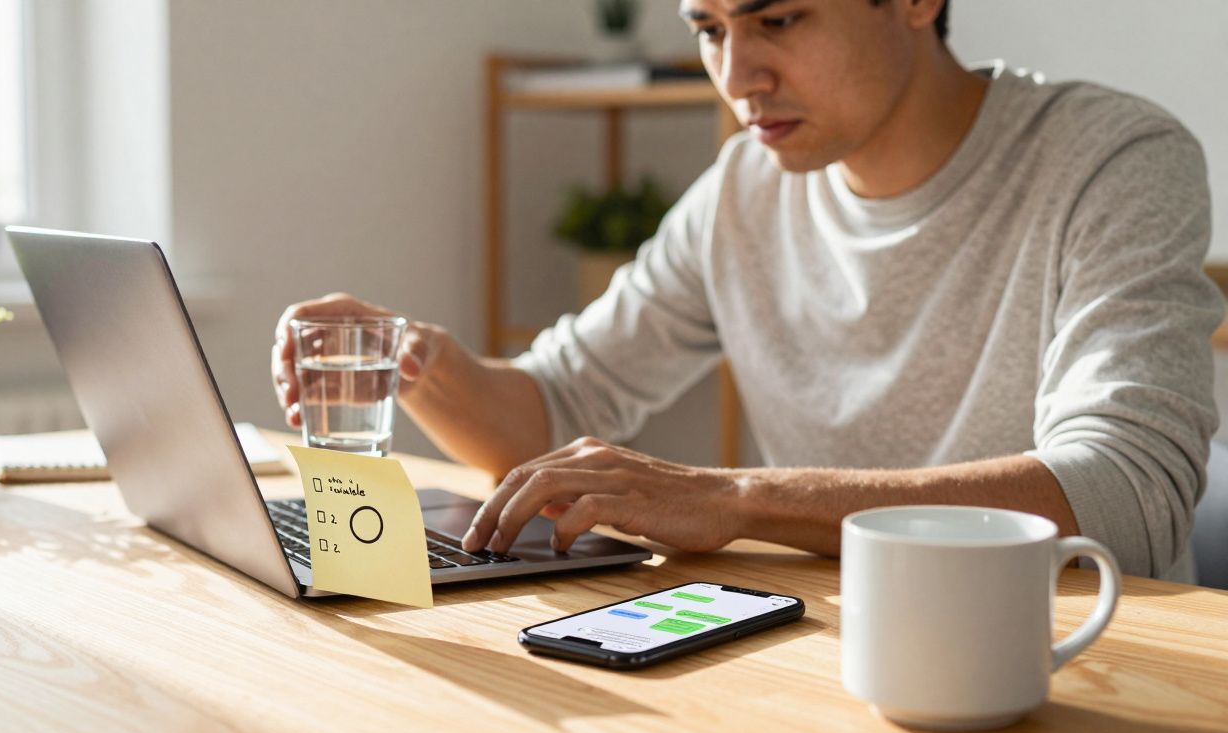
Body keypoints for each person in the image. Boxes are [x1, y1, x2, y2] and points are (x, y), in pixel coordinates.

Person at [272, 0, 1222, 582]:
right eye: (709, 29)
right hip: (832, 650)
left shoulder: (1113, 160)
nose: (737, 77)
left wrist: (734, 498)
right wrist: (422, 364)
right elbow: (556, 407)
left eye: (777, 20)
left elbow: (1128, 493)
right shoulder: (743, 191)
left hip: (1079, 654)